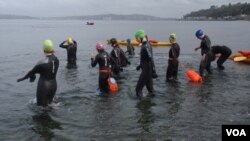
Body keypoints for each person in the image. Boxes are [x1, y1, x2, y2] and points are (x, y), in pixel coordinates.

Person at [17, 40, 59, 107]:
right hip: (53, 86)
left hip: (44, 87)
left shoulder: (42, 63)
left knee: (41, 109)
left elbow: (31, 72)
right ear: (52, 49)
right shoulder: (56, 59)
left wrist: (22, 78)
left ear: (44, 50)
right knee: (50, 106)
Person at [135, 29, 157, 98]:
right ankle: (151, 105)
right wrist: (140, 65)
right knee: (150, 90)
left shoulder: (146, 46)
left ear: (140, 37)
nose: (136, 40)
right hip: (147, 69)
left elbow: (151, 59)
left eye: (136, 38)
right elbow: (146, 59)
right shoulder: (146, 44)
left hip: (147, 71)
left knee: (138, 90)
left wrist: (154, 71)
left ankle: (141, 107)